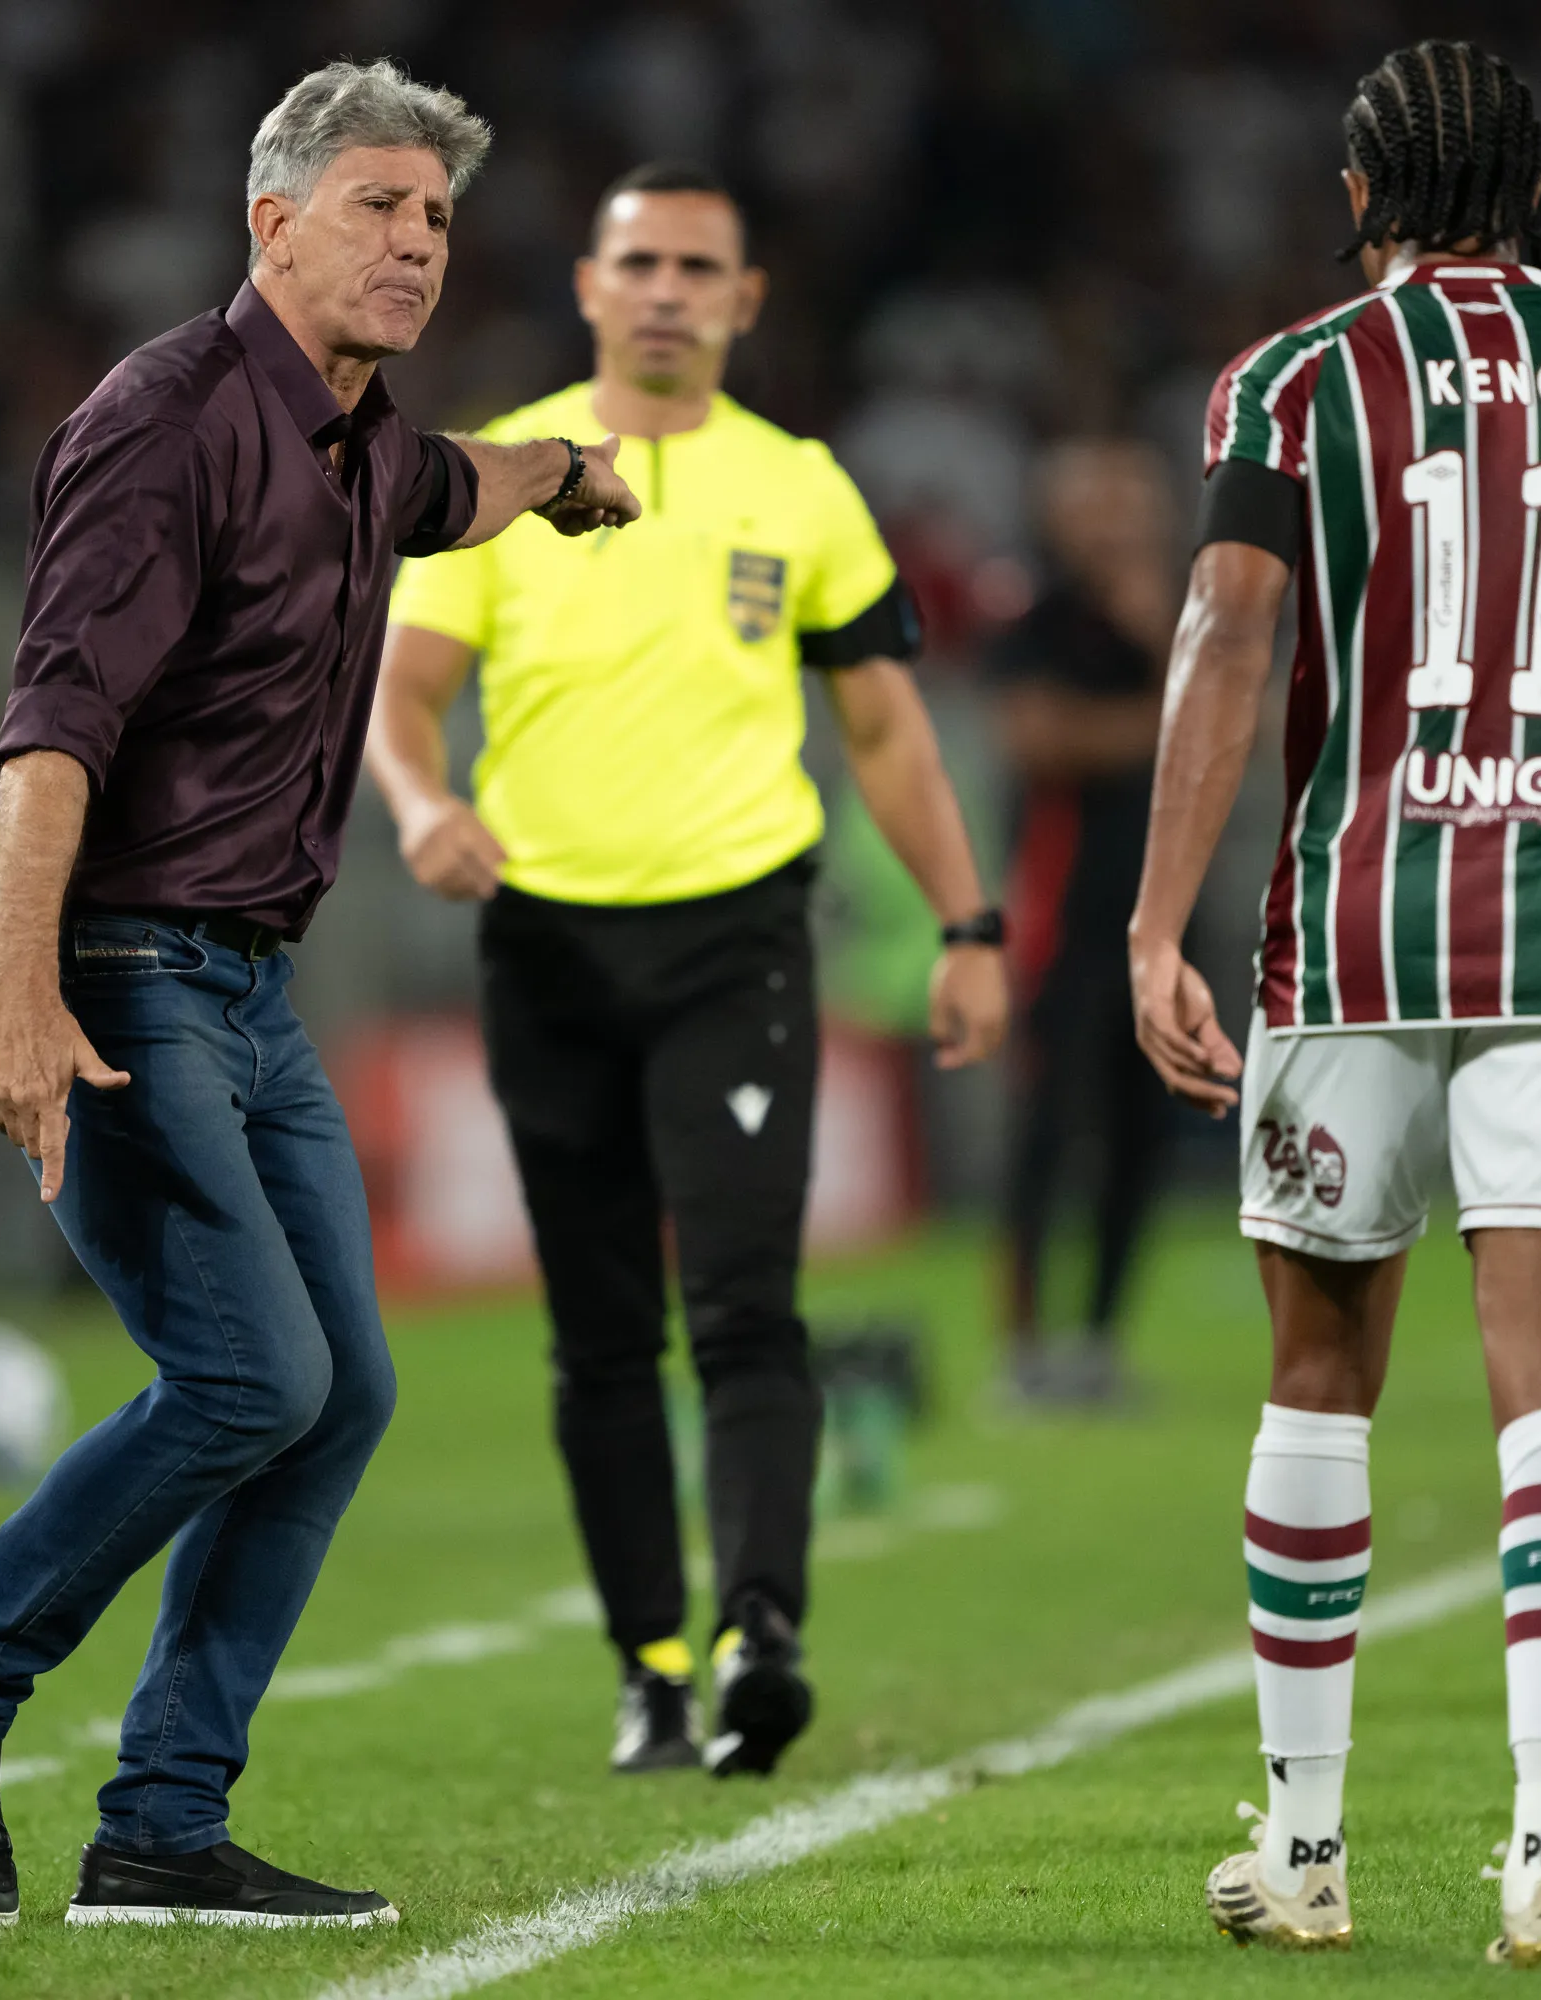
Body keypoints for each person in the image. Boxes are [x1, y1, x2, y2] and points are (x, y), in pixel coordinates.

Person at [0, 60, 641, 1932]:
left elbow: (466, 486)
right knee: (251, 1373)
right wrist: (18, 999)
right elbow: (48, 743)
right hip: (113, 967)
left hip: (240, 993)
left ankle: (161, 1827)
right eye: (378, 204)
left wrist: (570, 481)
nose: (417, 243)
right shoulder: (167, 421)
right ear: (270, 224)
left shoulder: (368, 443)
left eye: (436, 218)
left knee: (336, 1394)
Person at [1126, 42, 1541, 1964]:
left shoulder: (1287, 380)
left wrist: (1153, 921)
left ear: (1361, 195)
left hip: (1348, 937)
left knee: (1321, 1379)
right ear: (1532, 191)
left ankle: (1310, 1853)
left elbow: (1229, 635)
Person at [370, 161, 1006, 1780]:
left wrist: (967, 926)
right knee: (597, 1333)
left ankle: (760, 1636)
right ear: (588, 285)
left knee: (743, 1305)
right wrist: (423, 803)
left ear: (744, 299)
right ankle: (649, 1663)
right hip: (548, 946)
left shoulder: (799, 489)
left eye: (696, 265)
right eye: (637, 260)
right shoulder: (504, 474)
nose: (664, 287)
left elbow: (883, 726)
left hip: (736, 937)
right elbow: (405, 685)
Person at [988, 441, 1187, 1410]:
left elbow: (1258, 724)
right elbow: (1041, 738)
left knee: (1143, 1129)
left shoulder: (1193, 618)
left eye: (1131, 501)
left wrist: (1161, 653)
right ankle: (1021, 1348)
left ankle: (1100, 1338)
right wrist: (1175, 715)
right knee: (1046, 1131)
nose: (1117, 523)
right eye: (1096, 502)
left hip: (1167, 913)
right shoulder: (1038, 619)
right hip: (1063, 917)